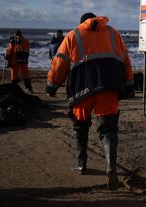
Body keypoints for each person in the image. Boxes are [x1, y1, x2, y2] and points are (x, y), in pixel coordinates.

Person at [46, 12, 134, 190]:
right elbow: (125, 60)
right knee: (108, 130)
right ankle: (111, 168)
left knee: (80, 126)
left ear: (82, 23)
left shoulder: (73, 35)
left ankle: (81, 164)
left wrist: (52, 86)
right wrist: (129, 84)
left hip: (82, 89)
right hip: (108, 87)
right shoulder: (113, 34)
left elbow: (59, 63)